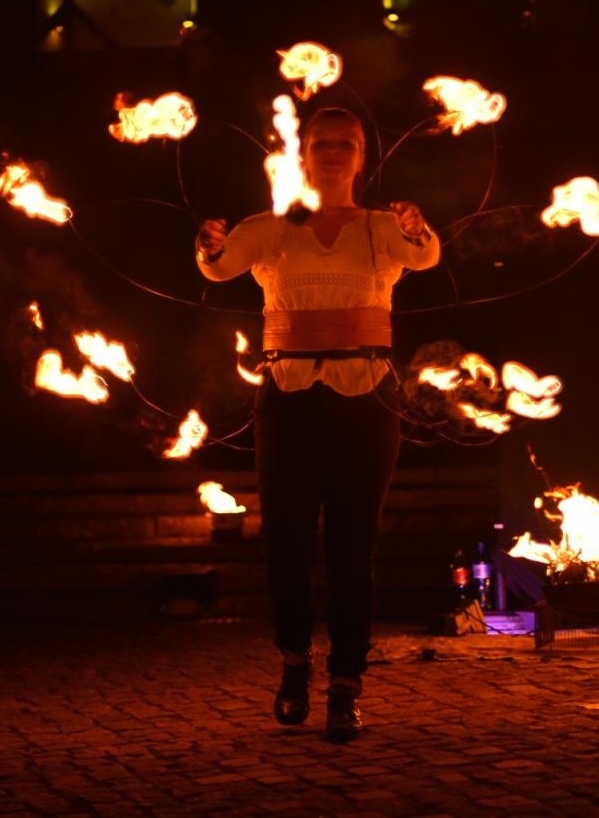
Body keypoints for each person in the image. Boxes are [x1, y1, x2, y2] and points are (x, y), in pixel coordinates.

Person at [195, 106, 440, 739]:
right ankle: (294, 663)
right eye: (322, 142)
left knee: (353, 545)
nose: (333, 151)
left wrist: (417, 230)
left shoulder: (384, 226)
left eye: (346, 143)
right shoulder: (271, 228)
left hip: (367, 397)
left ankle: (346, 683)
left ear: (363, 156)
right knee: (287, 539)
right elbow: (219, 267)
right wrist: (210, 246)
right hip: (288, 394)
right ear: (302, 153)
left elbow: (425, 256)